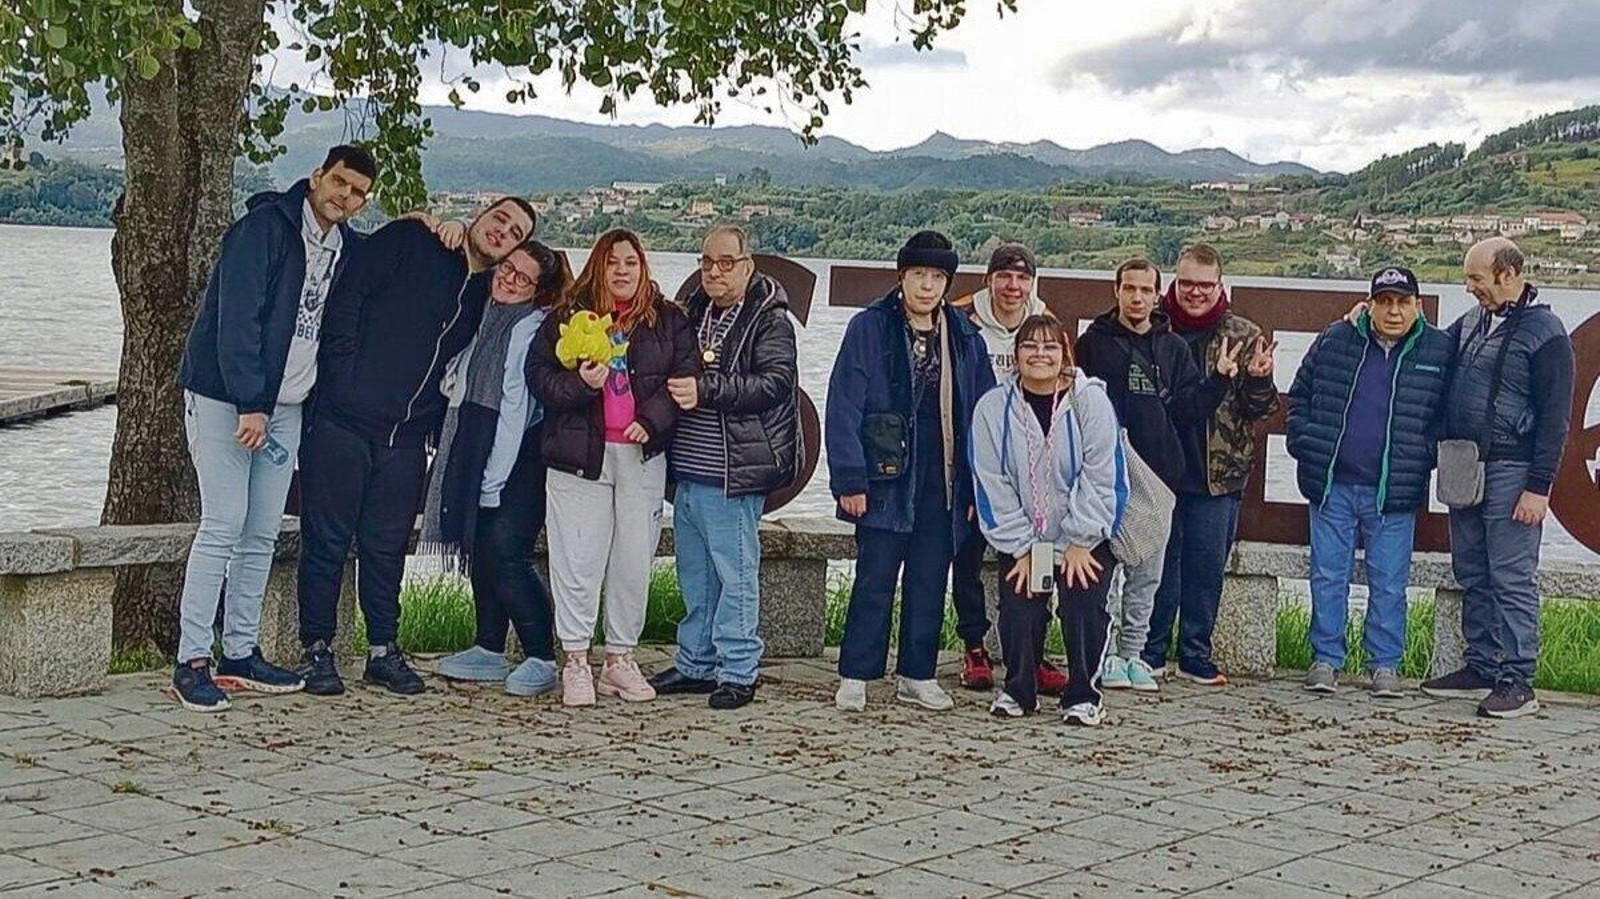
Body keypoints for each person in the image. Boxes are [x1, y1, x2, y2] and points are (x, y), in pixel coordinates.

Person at [296, 195, 536, 697]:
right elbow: (347, 294)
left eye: (515, 233)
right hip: (343, 421)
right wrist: (340, 381)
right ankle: (316, 649)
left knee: (387, 548)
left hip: (405, 440)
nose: (502, 233)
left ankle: (383, 649)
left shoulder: (483, 296)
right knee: (327, 541)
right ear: (481, 213)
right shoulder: (413, 242)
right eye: (500, 219)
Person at [170, 145, 376, 712]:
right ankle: (191, 660)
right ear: (317, 176)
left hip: (288, 408)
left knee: (262, 530)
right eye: (339, 182)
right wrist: (250, 402)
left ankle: (239, 650)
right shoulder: (262, 230)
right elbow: (236, 321)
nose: (345, 196)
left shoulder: (345, 249)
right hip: (227, 400)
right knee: (222, 524)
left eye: (358, 192)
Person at [527, 228, 698, 707]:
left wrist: (653, 419)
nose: (622, 271)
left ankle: (620, 660)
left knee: (632, 560)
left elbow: (686, 376)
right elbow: (538, 377)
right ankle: (577, 661)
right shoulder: (566, 316)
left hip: (641, 456)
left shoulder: (668, 319)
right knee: (577, 560)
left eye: (631, 262)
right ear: (597, 266)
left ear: (643, 267)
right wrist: (581, 384)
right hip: (578, 458)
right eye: (612, 262)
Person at [827, 230, 996, 713]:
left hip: (943, 478)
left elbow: (983, 418)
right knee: (874, 577)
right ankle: (856, 673)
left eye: (937, 276)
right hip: (885, 475)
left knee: (928, 578)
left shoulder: (965, 337)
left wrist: (976, 488)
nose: (927, 285)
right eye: (918, 274)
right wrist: (849, 479)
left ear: (948, 282)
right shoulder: (870, 327)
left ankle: (917, 674)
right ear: (901, 276)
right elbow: (843, 404)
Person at [1421, 238, 1574, 719]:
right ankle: (1482, 665)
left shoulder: (1547, 332)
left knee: (1511, 576)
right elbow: (1423, 345)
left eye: (1476, 279)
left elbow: (1555, 419)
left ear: (1508, 274)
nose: (1469, 289)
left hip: (1514, 470)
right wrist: (1363, 317)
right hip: (1465, 466)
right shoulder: (1471, 322)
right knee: (1473, 570)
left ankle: (1518, 681)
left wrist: (1540, 486)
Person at [649, 226, 800, 710]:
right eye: (707, 261)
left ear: (747, 264)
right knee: (697, 576)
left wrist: (707, 389)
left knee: (735, 578)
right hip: (689, 472)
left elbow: (775, 384)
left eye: (726, 262)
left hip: (734, 472)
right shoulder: (692, 311)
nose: (715, 271)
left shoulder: (770, 319)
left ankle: (738, 671)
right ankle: (696, 662)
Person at [1288, 266, 1453, 698]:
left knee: (1389, 582)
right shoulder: (1335, 339)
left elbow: (1448, 415)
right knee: (1327, 575)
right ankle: (1325, 660)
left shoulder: (1439, 349)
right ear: (1370, 304)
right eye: (1385, 302)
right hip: (1332, 484)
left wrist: (1424, 457)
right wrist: (1304, 442)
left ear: (1417, 305)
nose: (1394, 311)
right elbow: (1300, 394)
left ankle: (1385, 665)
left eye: (1403, 302)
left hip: (1392, 492)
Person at [421, 240, 572, 696]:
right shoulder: (485, 314)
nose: (508, 279)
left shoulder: (527, 329)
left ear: (537, 290)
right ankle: (488, 647)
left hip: (518, 458)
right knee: (482, 550)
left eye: (522, 277)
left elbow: (514, 408)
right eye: (507, 268)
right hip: (479, 445)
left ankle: (542, 655)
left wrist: (493, 479)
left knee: (505, 553)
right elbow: (460, 376)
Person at [1076, 258, 1230, 694]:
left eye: (1146, 290)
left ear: (1157, 294)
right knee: (1106, 576)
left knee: (1147, 576)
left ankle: (1135, 655)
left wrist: (1218, 381)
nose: (1137, 297)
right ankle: (1104, 654)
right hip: (1106, 473)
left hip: (1159, 475)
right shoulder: (1093, 344)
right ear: (1117, 291)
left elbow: (1185, 409)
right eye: (1130, 289)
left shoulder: (1174, 347)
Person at [972, 314, 1126, 725]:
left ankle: (1084, 695)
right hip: (1030, 539)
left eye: (1050, 346)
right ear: (1015, 355)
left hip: (1083, 537)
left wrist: (1080, 539)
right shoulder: (993, 408)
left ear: (1064, 354)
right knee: (1020, 609)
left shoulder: (1088, 400)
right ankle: (1020, 691)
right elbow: (992, 483)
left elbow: (1103, 473)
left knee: (1082, 605)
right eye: (1030, 346)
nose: (1040, 354)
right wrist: (1021, 547)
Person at [1140, 244, 1278, 686]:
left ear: (1220, 285)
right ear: (1172, 283)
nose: (1195, 292)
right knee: (1157, 570)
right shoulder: (1152, 330)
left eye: (1204, 284)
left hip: (1218, 475)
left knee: (1204, 571)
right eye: (1187, 283)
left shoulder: (1244, 333)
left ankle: (1197, 655)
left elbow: (1261, 409)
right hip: (1158, 471)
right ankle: (1149, 651)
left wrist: (1258, 379)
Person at [948, 243, 1064, 694]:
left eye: (1022, 278)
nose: (1013, 287)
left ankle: (1032, 653)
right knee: (969, 556)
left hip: (1031, 464)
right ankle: (973, 645)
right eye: (1004, 277)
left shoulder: (1045, 322)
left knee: (1038, 556)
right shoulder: (961, 319)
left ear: (1032, 283)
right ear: (988, 280)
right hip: (974, 458)